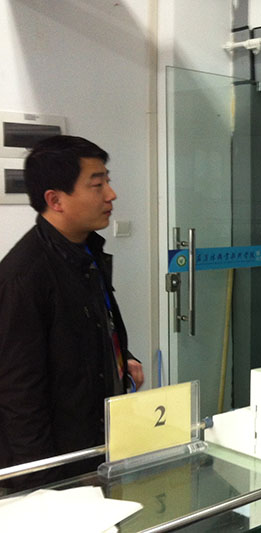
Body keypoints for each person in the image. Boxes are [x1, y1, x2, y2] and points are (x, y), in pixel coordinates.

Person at [0, 135, 144, 491]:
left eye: (108, 181)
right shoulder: (24, 276)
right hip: (59, 468)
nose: (111, 194)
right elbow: (19, 396)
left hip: (94, 445)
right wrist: (42, 489)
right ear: (55, 200)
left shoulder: (85, 252)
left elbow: (84, 327)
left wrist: (120, 357)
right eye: (97, 185)